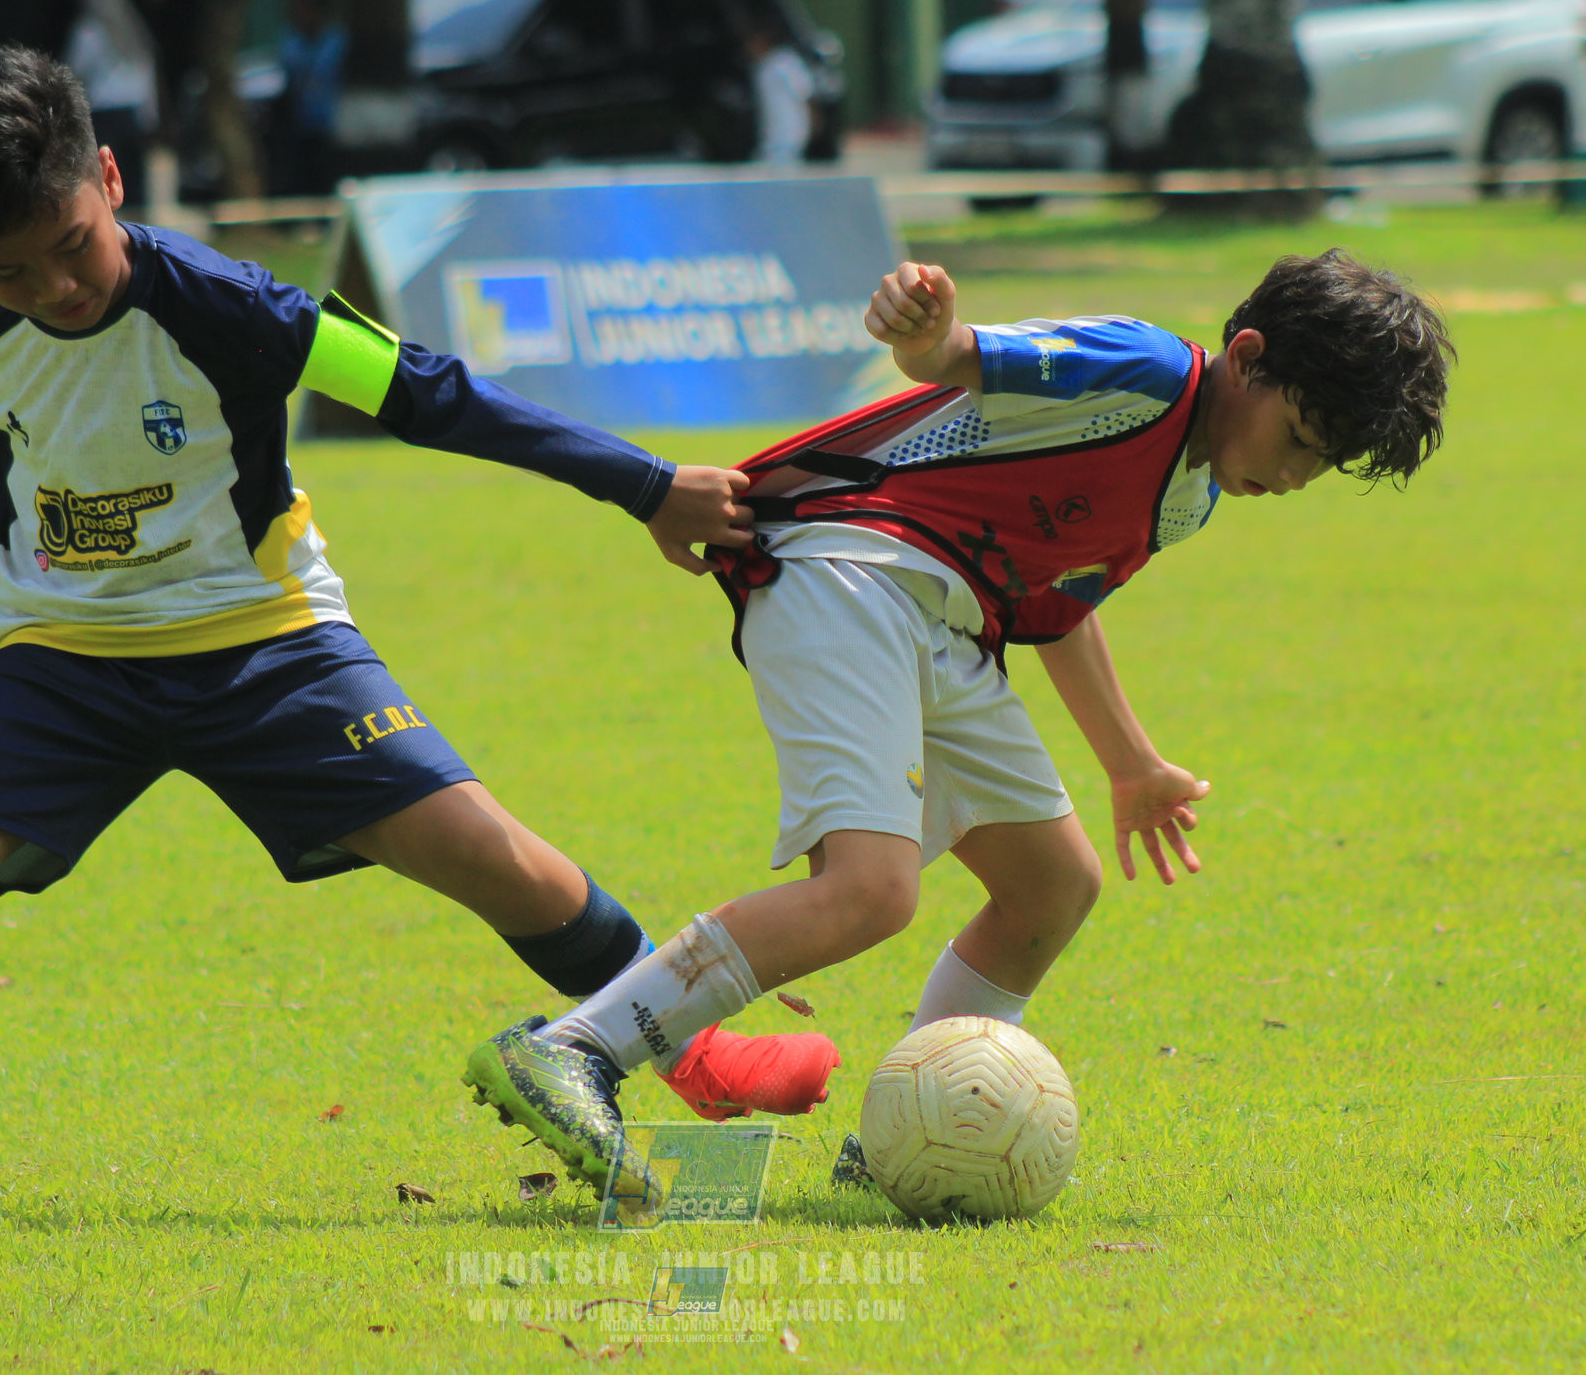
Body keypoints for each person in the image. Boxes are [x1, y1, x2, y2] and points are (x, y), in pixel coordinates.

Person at [0, 47, 834, 1237]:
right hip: (64, 652)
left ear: (110, 179)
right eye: (10, 271)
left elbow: (430, 391)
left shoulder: (237, 306)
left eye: (72, 246)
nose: (54, 289)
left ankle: (702, 1051)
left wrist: (642, 484)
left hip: (267, 639)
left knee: (484, 847)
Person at [463, 251, 1453, 1204]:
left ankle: (890, 1144)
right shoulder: (1148, 372)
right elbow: (955, 358)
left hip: (942, 614)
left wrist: (1131, 762)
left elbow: (1058, 607)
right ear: (1245, 358)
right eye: (1297, 442)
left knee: (1049, 885)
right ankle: (575, 1048)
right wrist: (929, 329)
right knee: (869, 892)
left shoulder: (1189, 497)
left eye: (1320, 468)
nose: (1292, 479)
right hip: (849, 568)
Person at [64, 0, 160, 215]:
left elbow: (75, 71)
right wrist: (151, 113)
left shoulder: (89, 31)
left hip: (104, 112)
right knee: (135, 182)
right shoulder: (134, 28)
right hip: (133, 111)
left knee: (106, 177)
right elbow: (147, 71)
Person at [273, 0, 348, 196]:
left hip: (330, 125)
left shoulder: (337, 41)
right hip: (298, 124)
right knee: (300, 176)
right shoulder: (291, 42)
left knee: (326, 174)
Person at [746, 20, 814, 166]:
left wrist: (813, 120)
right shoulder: (762, 66)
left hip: (789, 133)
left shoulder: (785, 62)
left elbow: (805, 93)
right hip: (771, 137)